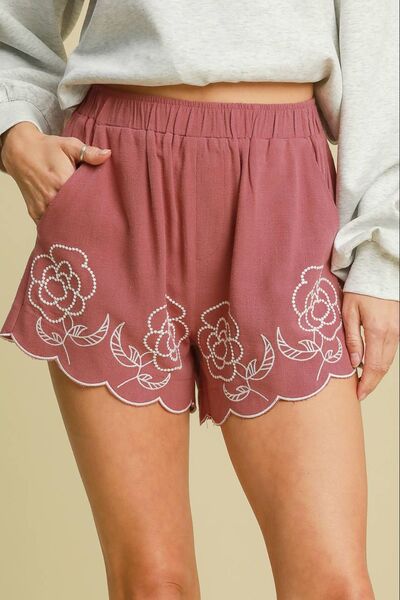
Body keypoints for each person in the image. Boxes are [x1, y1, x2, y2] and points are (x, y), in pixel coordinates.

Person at [0, 2, 398, 599]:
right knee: (152, 586)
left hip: (282, 193)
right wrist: (15, 131)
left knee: (334, 586)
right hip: (115, 183)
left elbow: (386, 50)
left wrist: (383, 256)